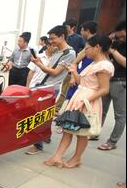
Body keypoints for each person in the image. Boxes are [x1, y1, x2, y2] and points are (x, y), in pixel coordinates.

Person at [43, 35, 114, 168]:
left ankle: (76, 159)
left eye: (87, 48)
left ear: (97, 47)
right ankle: (57, 156)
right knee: (68, 129)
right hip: (80, 97)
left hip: (88, 101)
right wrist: (74, 72)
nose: (85, 51)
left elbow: (104, 89)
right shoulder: (94, 63)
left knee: (82, 133)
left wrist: (85, 100)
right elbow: (82, 82)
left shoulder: (104, 65)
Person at [25, 25, 76, 155]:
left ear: (62, 36)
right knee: (44, 116)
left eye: (53, 38)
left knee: (39, 117)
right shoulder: (57, 51)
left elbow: (54, 72)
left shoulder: (69, 53)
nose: (51, 41)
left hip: (50, 89)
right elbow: (48, 68)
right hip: (43, 86)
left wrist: (38, 64)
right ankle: (45, 136)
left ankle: (38, 145)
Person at [98, 21, 126, 151]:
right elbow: (107, 58)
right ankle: (95, 131)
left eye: (122, 36)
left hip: (122, 82)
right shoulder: (116, 43)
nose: (120, 39)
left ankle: (112, 141)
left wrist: (113, 51)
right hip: (109, 79)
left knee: (119, 115)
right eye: (118, 36)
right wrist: (109, 40)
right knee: (101, 110)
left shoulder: (116, 47)